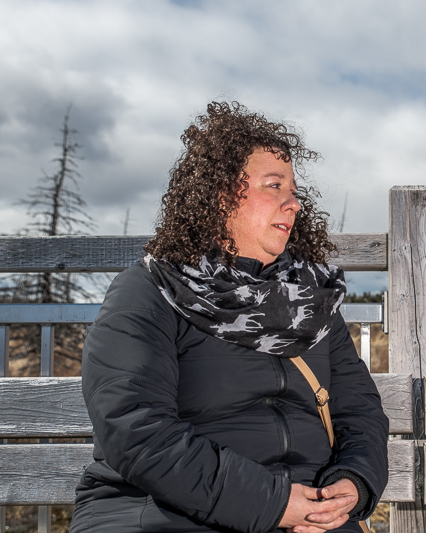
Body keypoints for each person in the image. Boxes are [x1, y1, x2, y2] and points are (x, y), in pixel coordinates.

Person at [71, 102, 389, 533]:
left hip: (310, 517)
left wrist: (353, 482)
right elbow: (134, 428)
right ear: (220, 195)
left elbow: (360, 410)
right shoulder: (151, 290)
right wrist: (272, 502)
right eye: (274, 186)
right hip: (169, 515)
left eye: (294, 191)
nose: (294, 204)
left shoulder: (312, 303)